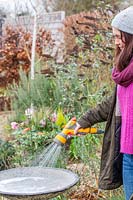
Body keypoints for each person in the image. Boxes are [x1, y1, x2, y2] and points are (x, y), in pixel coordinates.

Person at [74, 6, 133, 200]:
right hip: (127, 155)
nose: (116, 42)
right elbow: (113, 103)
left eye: (119, 36)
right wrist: (84, 121)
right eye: (114, 36)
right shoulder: (125, 72)